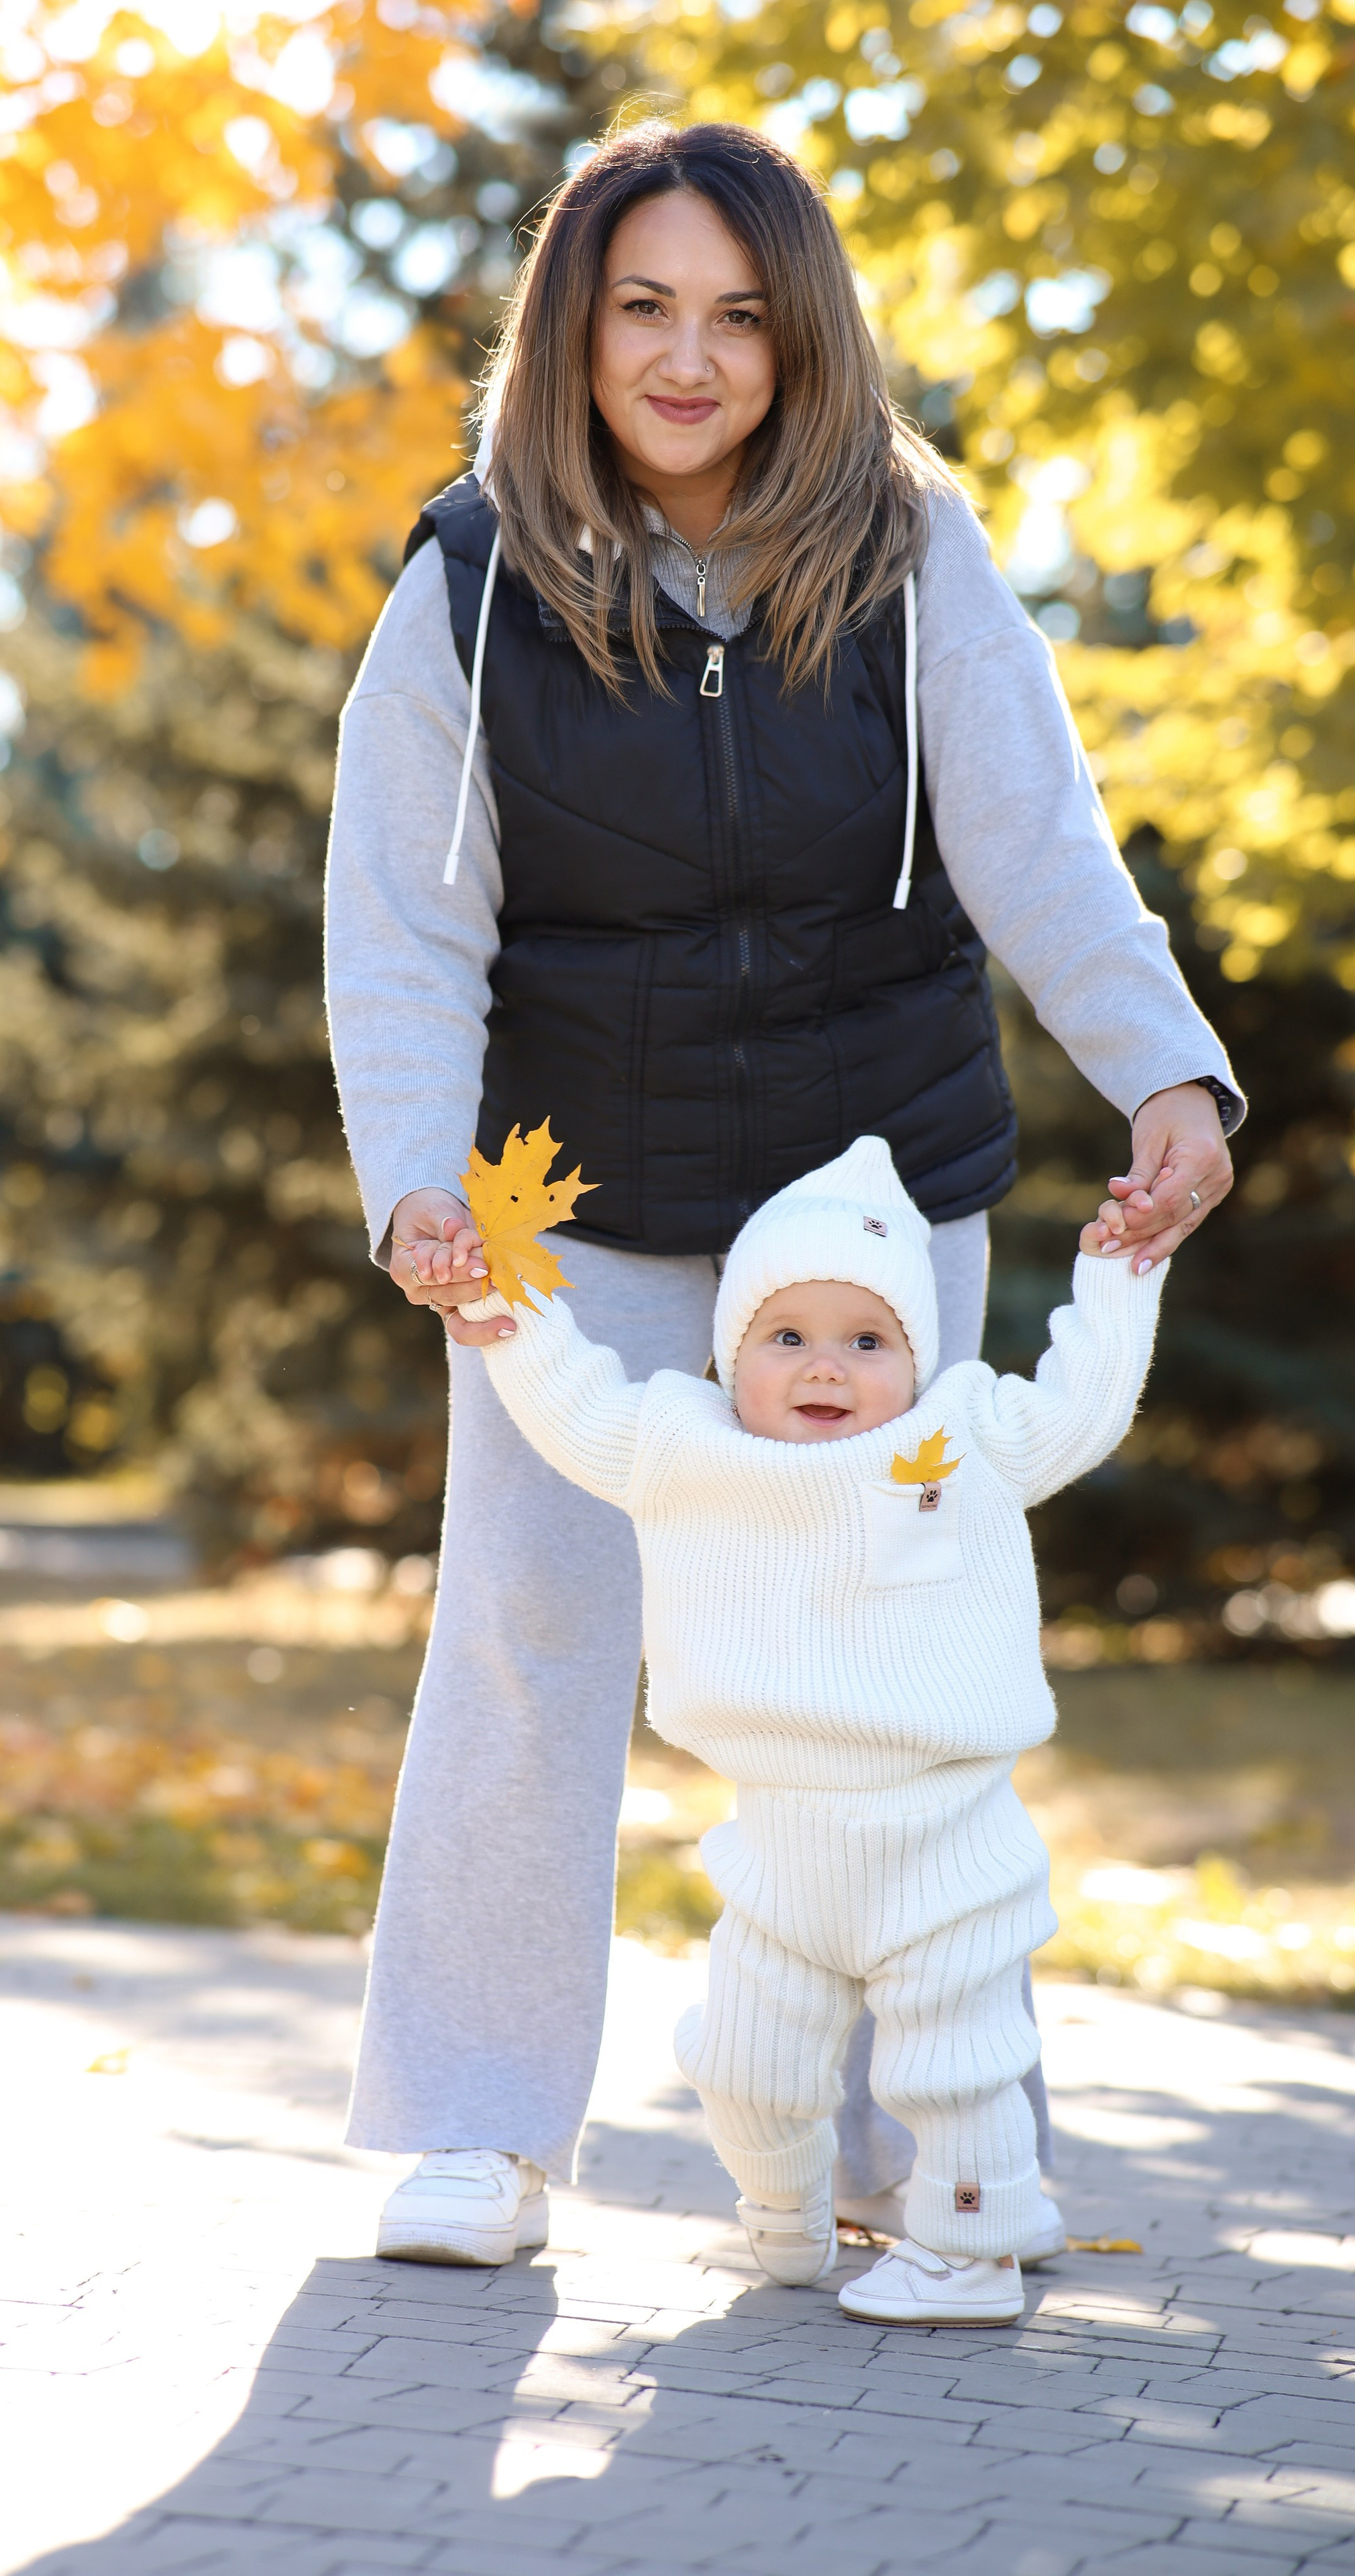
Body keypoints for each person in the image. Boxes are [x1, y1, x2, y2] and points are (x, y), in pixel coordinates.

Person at [324, 117, 1241, 2269]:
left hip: (862, 1195)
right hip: (584, 1198)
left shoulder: (913, 552)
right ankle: (478, 2127)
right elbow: (402, 923)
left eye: (737, 315)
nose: (687, 355)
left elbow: (1037, 840)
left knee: (878, 1671)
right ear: (575, 323)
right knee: (538, 1640)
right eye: (641, 305)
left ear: (799, 335)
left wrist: (1171, 1068)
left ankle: (916, 2146)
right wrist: (415, 1191)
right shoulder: (468, 578)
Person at [457, 1135, 1165, 2325]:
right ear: (734, 1355)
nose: (825, 1365)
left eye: (867, 1340)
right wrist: (503, 1301)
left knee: (955, 2065)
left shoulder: (964, 1442)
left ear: (915, 1358)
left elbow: (1088, 1398)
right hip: (778, 1850)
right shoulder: (686, 1448)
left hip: (941, 1837)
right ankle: (785, 2210)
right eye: (787, 1337)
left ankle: (974, 2246)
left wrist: (1120, 1273)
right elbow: (573, 1401)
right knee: (743, 2065)